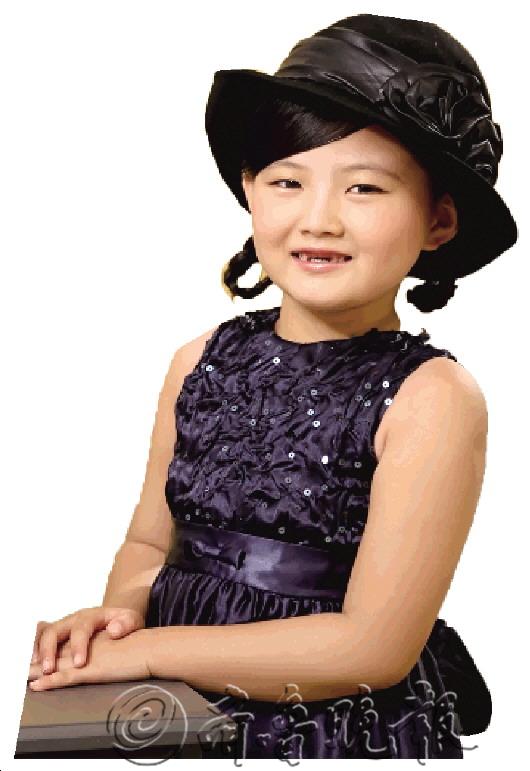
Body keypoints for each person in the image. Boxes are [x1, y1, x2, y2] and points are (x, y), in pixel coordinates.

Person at [27, 13, 517, 760]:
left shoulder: (432, 398)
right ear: (250, 190)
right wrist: (119, 619)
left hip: (321, 719)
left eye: (364, 188)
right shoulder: (199, 360)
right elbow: (150, 540)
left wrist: (150, 653)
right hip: (172, 698)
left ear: (437, 221)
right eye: (288, 181)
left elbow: (372, 646)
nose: (319, 219)